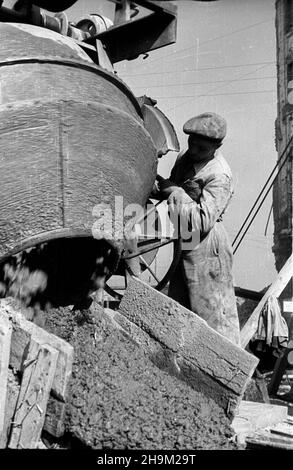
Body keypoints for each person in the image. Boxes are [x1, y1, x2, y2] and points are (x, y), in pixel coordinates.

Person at [156, 112, 241, 346]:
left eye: (201, 148)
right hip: (186, 240)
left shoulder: (219, 174)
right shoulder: (185, 158)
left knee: (213, 312)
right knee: (182, 305)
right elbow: (171, 187)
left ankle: (225, 369)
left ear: (216, 146)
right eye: (191, 144)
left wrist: (175, 192)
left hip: (208, 244)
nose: (193, 151)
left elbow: (203, 220)